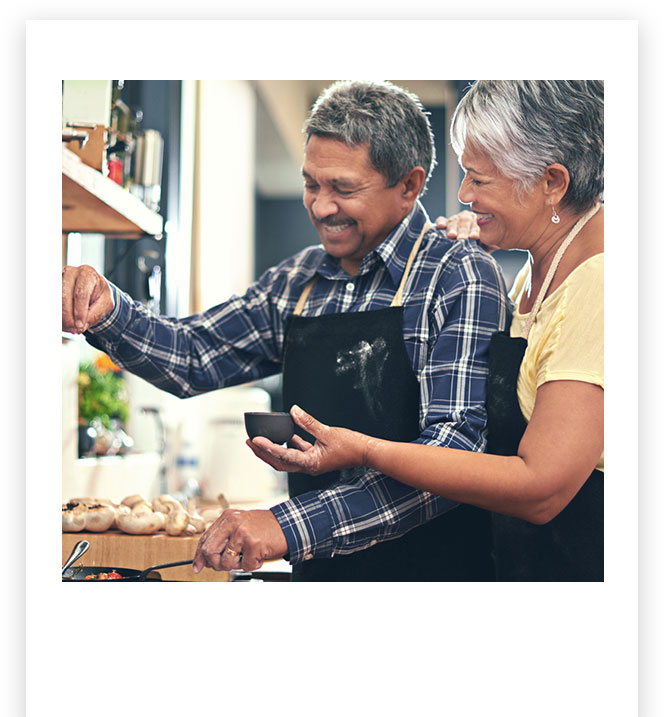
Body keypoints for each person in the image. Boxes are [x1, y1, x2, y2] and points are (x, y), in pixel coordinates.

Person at [62, 80, 509, 582]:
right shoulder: (297, 281)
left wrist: (288, 526)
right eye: (311, 184)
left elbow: (454, 457)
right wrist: (105, 311)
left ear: (408, 185)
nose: (319, 207)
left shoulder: (457, 275)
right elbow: (193, 354)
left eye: (343, 188)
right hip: (320, 578)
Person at [243, 80, 605, 582]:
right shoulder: (532, 273)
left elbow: (541, 488)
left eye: (479, 180)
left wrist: (367, 449)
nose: (462, 196)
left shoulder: (601, 284)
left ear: (552, 183)